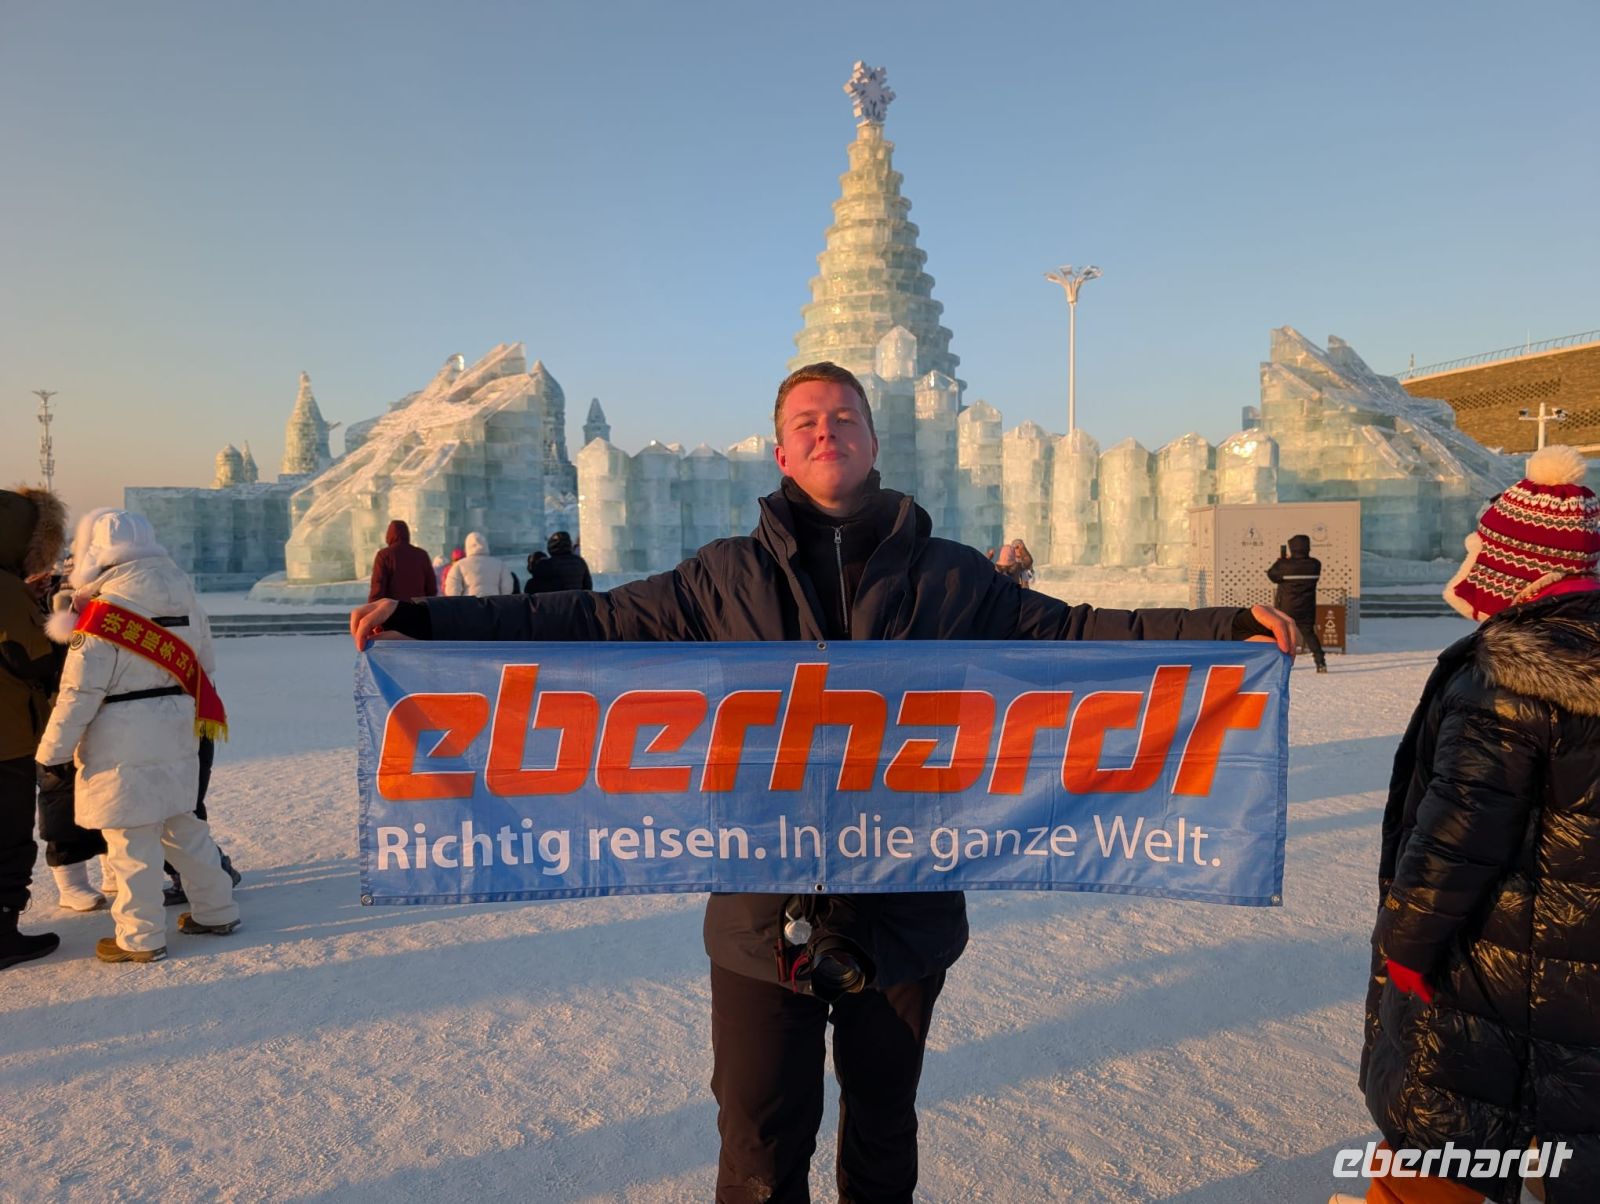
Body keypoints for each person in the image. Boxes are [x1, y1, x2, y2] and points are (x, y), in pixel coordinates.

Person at [351, 361, 1294, 1203]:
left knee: (883, 1137)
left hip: (907, 899)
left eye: (843, 416)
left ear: (874, 441)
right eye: (806, 421)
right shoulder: (721, 580)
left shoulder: (952, 578)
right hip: (763, 907)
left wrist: (1227, 632)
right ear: (779, 450)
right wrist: (428, 624)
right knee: (759, 1146)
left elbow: (1077, 635)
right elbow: (592, 619)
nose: (825, 431)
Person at [1335, 446, 1600, 1204]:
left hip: (1495, 964)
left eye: (1481, 549)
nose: (1468, 561)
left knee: (1444, 1141)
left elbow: (1457, 834)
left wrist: (1408, 947)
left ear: (1518, 565)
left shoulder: (1501, 679)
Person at [36, 509, 239, 964]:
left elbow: (77, 693)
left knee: (130, 842)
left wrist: (52, 751)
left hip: (120, 739)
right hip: (178, 728)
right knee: (183, 826)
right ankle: (217, 909)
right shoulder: (185, 595)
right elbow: (205, 666)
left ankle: (140, 937)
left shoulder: (101, 612)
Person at [0, 484, 67, 970]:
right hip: (7, 739)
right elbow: (32, 658)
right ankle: (3, 932)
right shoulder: (4, 589)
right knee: (7, 835)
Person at [1266, 533, 1327, 672]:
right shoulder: (1315, 564)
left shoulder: (1284, 565)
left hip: (1286, 607)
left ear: (1292, 548)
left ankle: (1279, 663)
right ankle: (1320, 662)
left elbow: (1272, 575)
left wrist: (1280, 561)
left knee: (1281, 635)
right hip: (1307, 607)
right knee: (1310, 635)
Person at [367, 519, 437, 603]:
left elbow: (378, 587)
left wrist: (372, 607)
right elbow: (431, 588)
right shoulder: (422, 555)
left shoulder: (384, 555)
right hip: (417, 609)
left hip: (393, 610)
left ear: (389, 535)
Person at [443, 532, 515, 597]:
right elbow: (507, 587)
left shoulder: (459, 565)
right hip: (493, 606)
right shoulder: (499, 564)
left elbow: (452, 590)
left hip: (468, 607)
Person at [525, 530, 592, 594]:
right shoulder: (580, 562)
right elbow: (588, 586)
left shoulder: (547, 564)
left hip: (554, 603)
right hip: (577, 602)